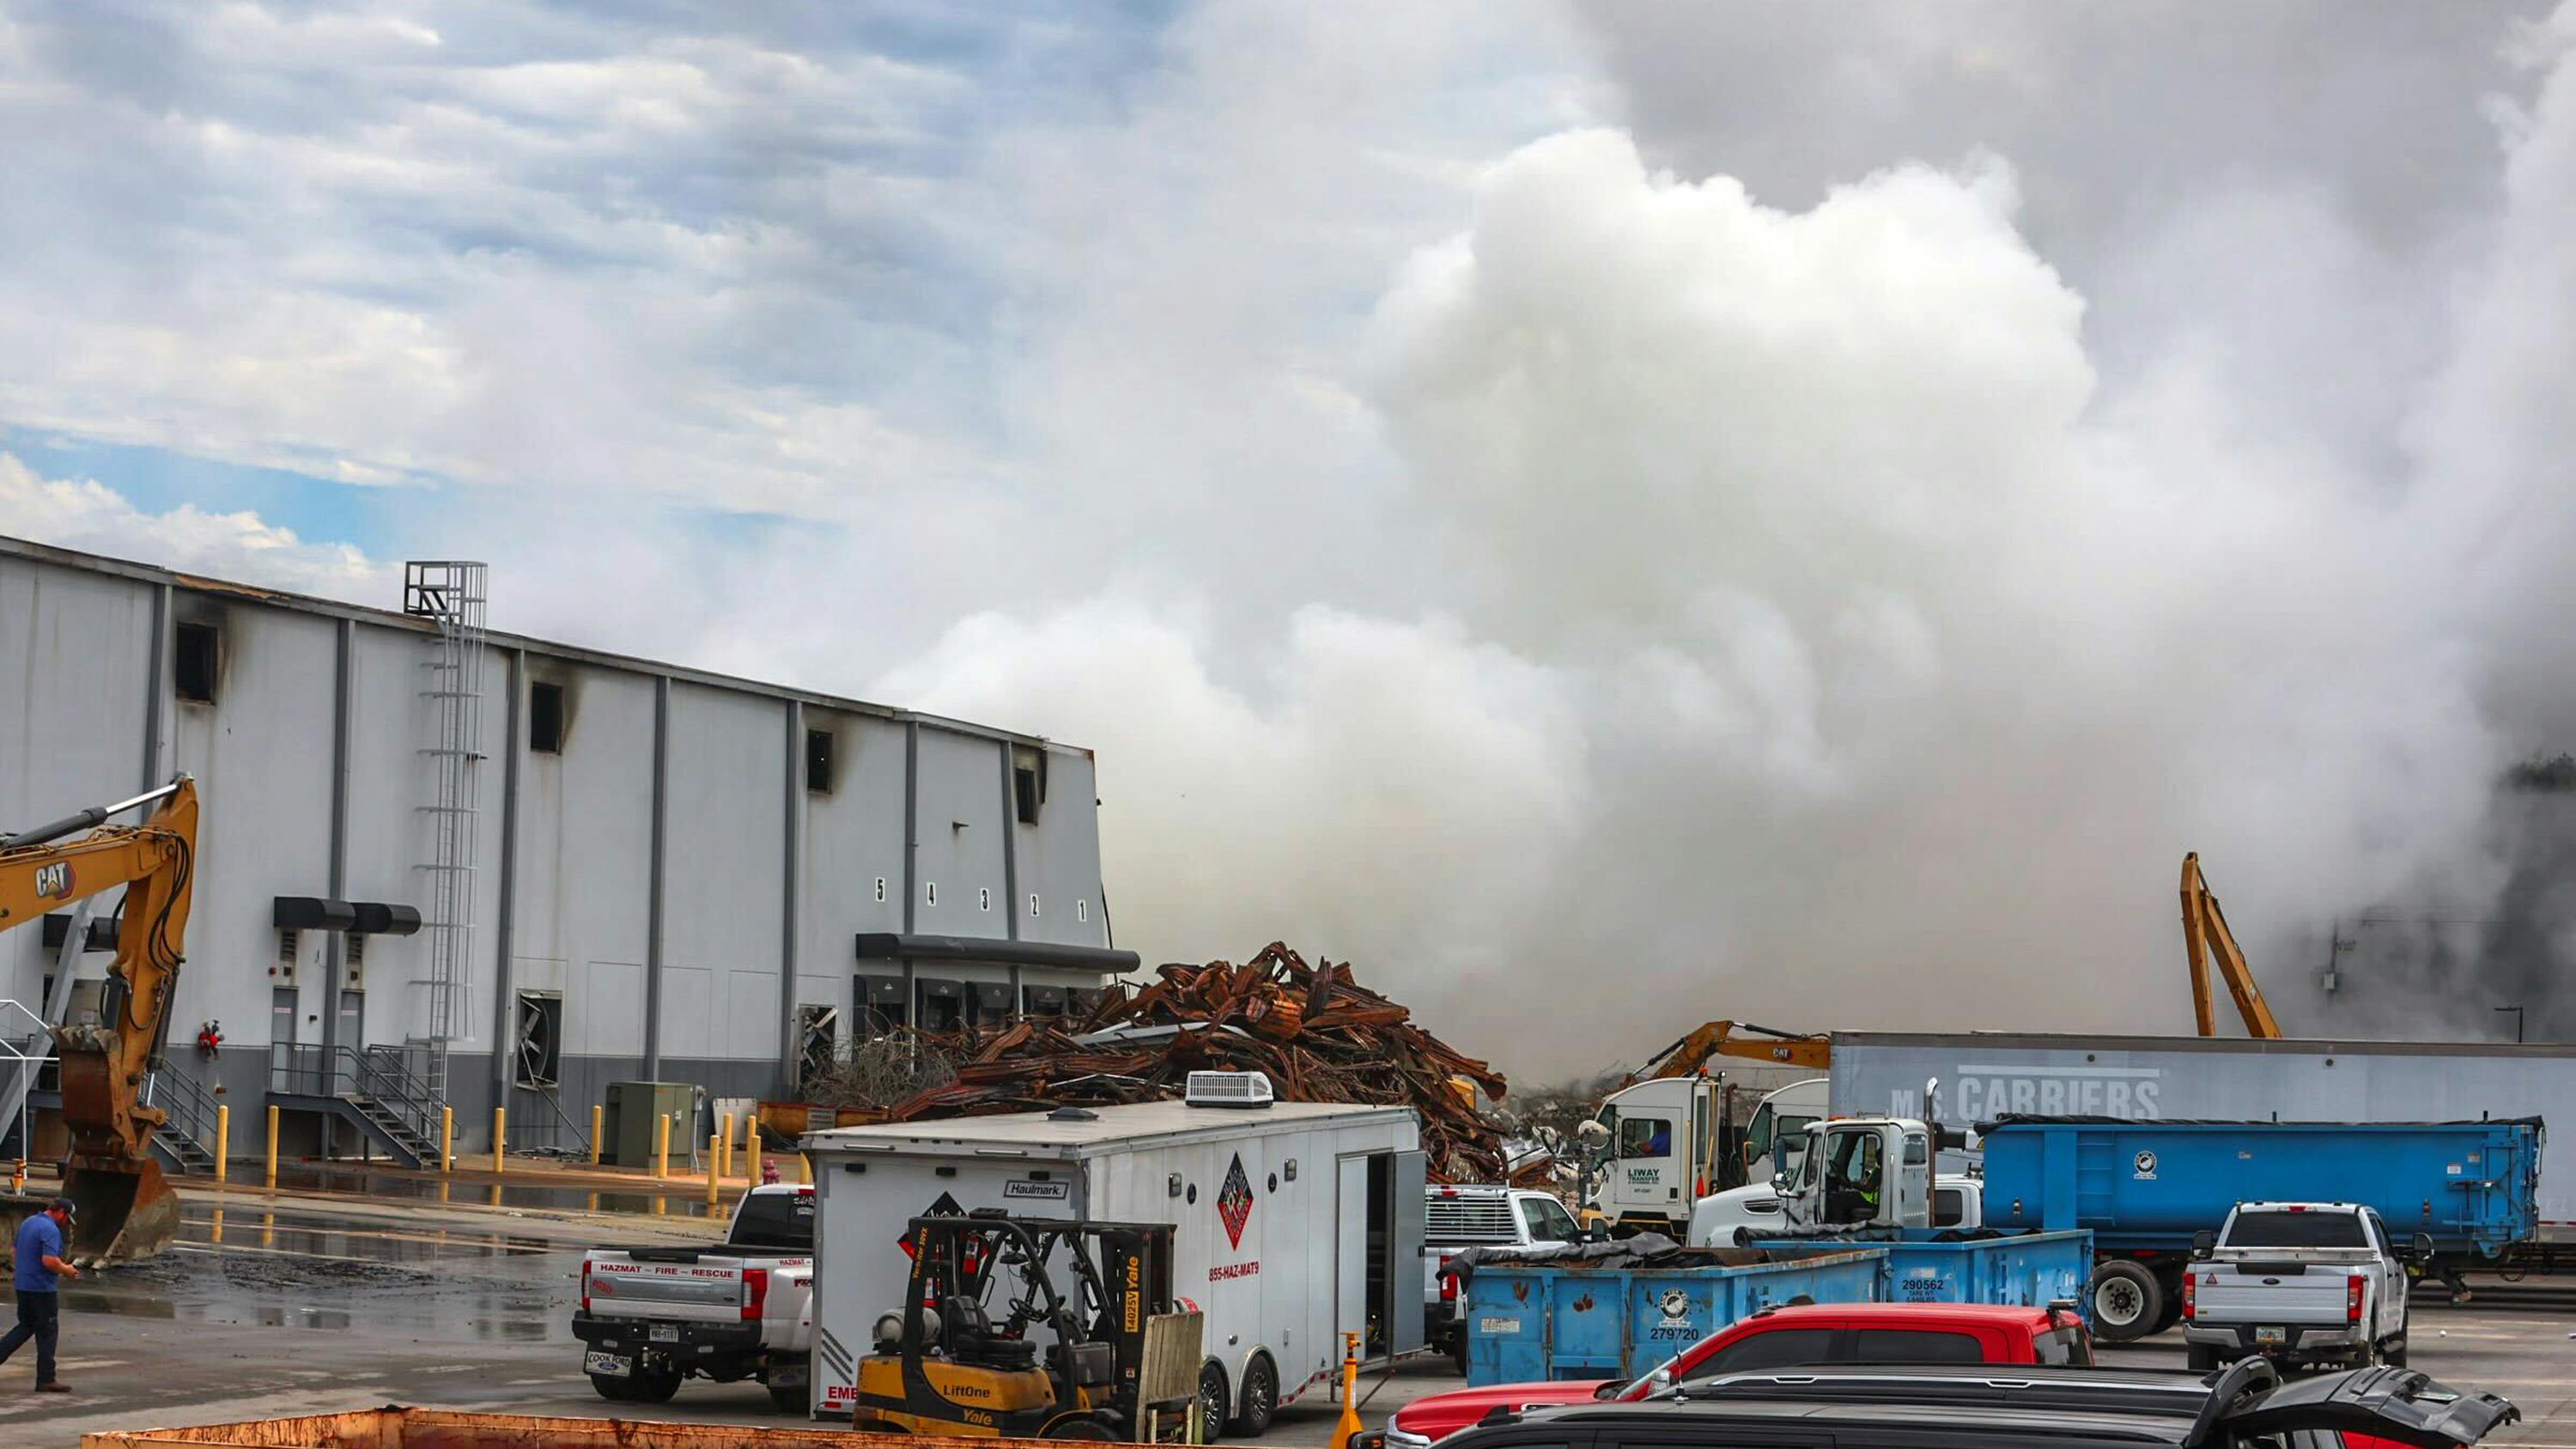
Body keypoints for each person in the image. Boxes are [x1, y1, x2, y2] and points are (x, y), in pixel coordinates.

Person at [0, 1197, 79, 1392]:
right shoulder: (50, 1229)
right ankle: (46, 1379)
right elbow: (50, 1260)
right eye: (67, 1219)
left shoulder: (29, 1222)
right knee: (48, 1332)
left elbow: (14, 1251)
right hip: (42, 1289)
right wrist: (67, 1270)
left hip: (24, 1285)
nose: (66, 1223)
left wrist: (25, 1270)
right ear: (60, 1212)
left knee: (26, 1326)